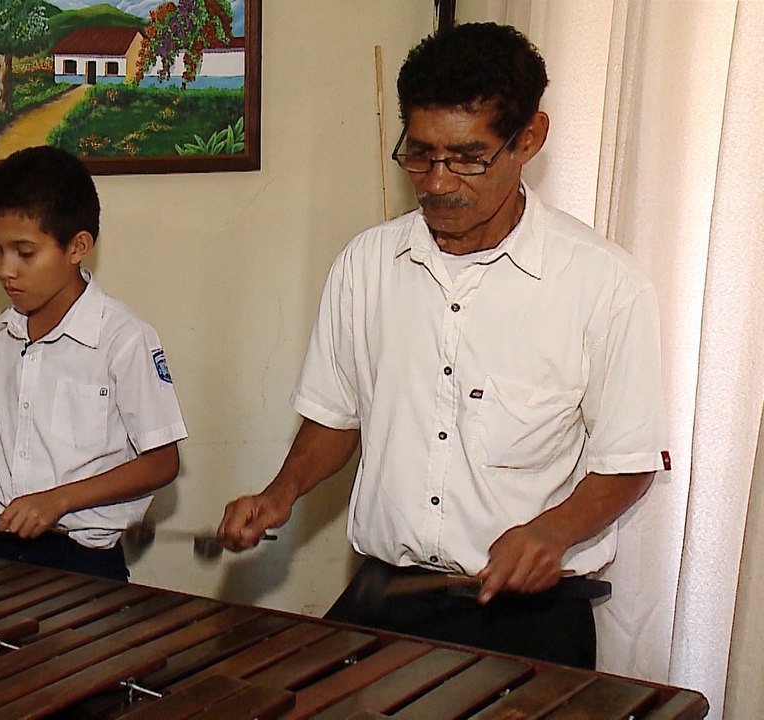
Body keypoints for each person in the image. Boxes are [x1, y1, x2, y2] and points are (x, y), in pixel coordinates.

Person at [216, 23, 668, 669]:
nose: (437, 182)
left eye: (467, 157)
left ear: (529, 139)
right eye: (421, 154)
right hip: (387, 595)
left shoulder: (606, 285)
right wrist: (280, 492)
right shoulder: (366, 265)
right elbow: (336, 416)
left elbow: (627, 461)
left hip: (528, 618)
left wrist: (552, 531)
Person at [0, 145, 187, 582]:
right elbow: (18, 443)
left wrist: (57, 501)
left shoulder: (123, 339)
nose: (6, 270)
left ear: (78, 246)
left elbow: (162, 462)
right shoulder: (4, 333)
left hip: (82, 562)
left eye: (24, 253)